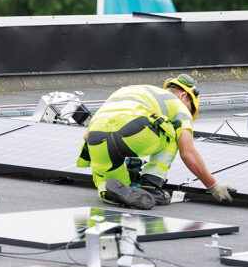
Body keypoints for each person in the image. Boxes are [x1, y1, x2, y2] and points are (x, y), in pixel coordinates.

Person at [77, 74, 235, 209]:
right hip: (136, 132)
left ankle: (112, 189)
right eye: (190, 108)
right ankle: (150, 184)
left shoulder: (132, 93)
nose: (188, 112)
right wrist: (213, 186)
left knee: (111, 184)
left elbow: (86, 137)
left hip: (97, 140)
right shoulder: (176, 104)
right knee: (173, 132)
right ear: (184, 96)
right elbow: (188, 153)